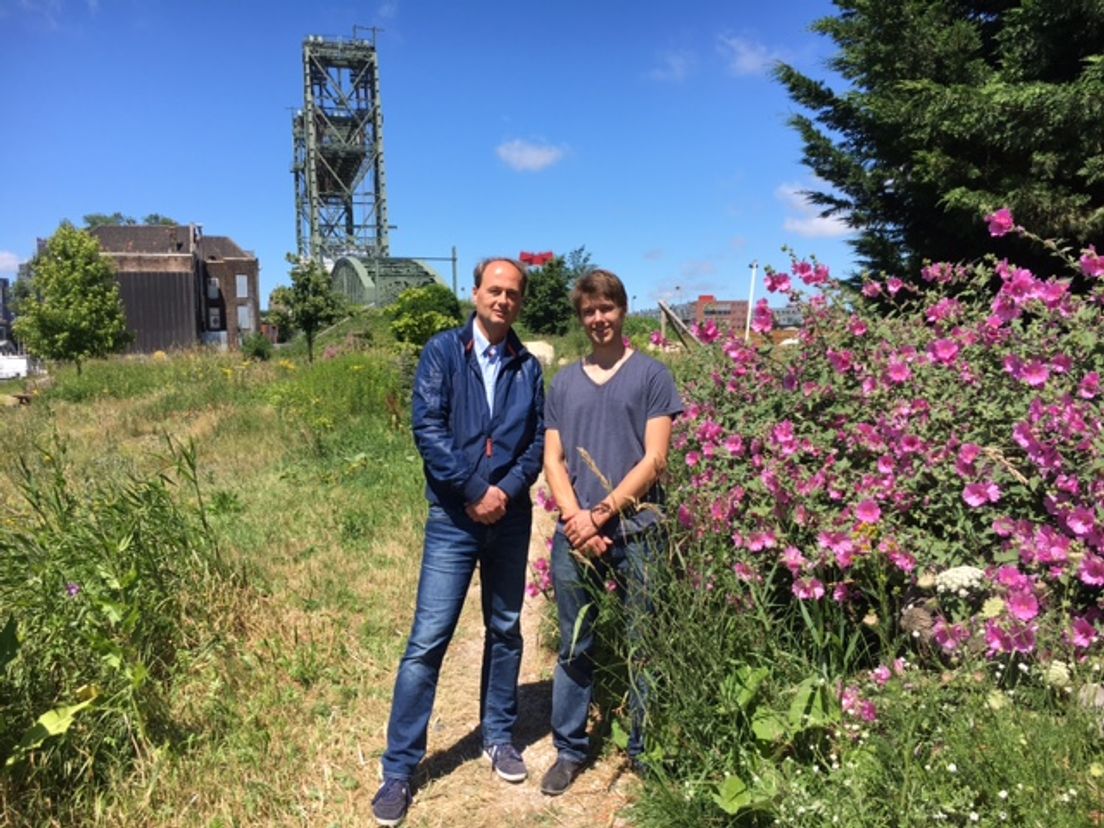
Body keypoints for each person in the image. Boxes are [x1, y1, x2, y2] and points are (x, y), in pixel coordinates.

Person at [372, 258, 545, 827]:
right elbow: (428, 428)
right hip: (453, 517)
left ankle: (498, 737)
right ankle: (399, 769)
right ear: (475, 293)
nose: (503, 301)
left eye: (513, 294)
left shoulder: (527, 366)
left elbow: (537, 441)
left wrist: (505, 492)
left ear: (520, 303)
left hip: (511, 518)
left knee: (505, 628)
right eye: (494, 290)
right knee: (428, 638)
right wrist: (475, 489)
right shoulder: (443, 353)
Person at [539, 269, 682, 796]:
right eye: (589, 311)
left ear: (623, 310)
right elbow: (552, 459)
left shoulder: (652, 376)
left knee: (645, 642)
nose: (598, 319)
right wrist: (578, 523)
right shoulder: (564, 383)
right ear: (581, 318)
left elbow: (656, 459)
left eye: (607, 309)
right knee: (576, 644)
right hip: (577, 533)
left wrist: (599, 516)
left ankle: (644, 750)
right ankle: (570, 749)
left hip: (639, 530)